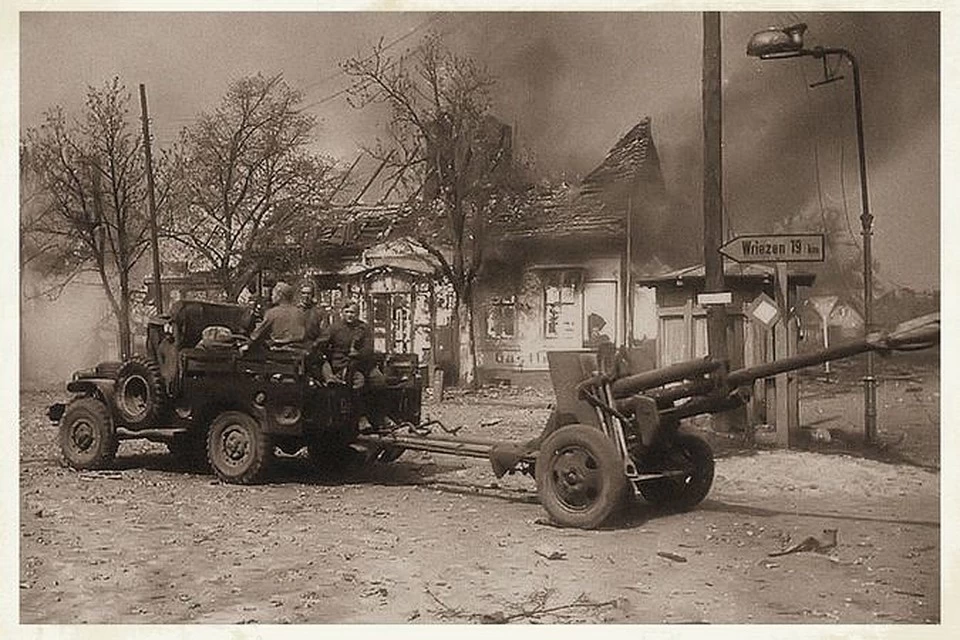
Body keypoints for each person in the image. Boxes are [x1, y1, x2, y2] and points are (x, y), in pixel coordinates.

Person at [242, 281, 307, 351]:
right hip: (299, 351)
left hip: (279, 352)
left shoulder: (272, 313)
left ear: (280, 295)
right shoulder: (300, 312)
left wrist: (246, 344)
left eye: (273, 294)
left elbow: (256, 335)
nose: (272, 296)